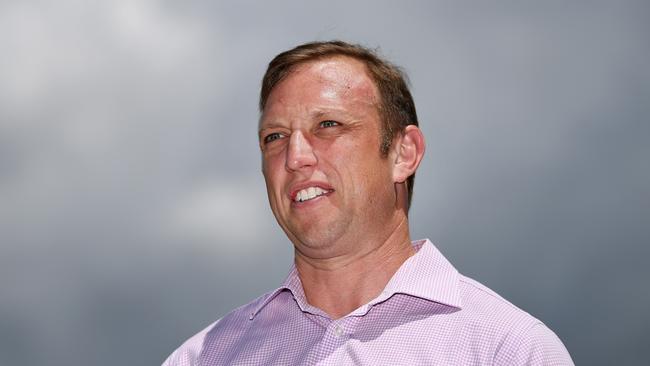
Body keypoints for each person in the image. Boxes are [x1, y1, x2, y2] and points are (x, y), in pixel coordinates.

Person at [162, 40, 573, 365]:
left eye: (328, 125)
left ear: (403, 153)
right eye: (275, 137)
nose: (295, 156)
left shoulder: (508, 350)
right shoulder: (203, 358)